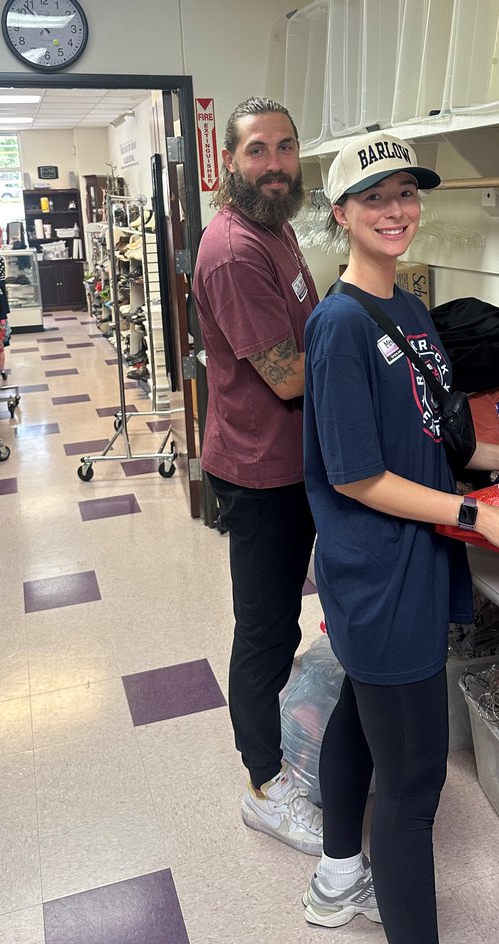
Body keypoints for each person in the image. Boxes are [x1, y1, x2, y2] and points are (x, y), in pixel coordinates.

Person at [301, 134, 499, 939]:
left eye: (407, 194)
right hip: (378, 572)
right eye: (376, 197)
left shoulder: (413, 311)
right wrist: (478, 514)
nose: (396, 211)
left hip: (414, 560)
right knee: (416, 780)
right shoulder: (339, 326)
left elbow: (440, 439)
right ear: (341, 212)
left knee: (360, 709)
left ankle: (334, 879)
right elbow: (356, 474)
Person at [192, 95, 323, 855]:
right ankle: (265, 786)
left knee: (283, 622)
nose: (274, 163)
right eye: (256, 150)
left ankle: (284, 754)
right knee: (267, 630)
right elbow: (287, 378)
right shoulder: (235, 249)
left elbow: (302, 331)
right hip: (261, 472)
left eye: (285, 147)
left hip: (291, 461)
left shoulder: (277, 229)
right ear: (228, 164)